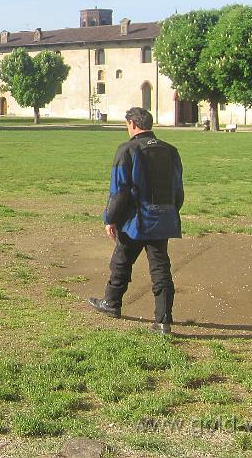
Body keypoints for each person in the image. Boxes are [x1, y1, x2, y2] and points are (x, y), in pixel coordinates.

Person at [88, 107, 184, 334]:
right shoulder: (171, 151)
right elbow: (178, 190)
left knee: (121, 261)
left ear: (131, 124)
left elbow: (119, 190)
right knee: (160, 268)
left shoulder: (127, 150)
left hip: (136, 221)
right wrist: (170, 212)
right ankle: (163, 320)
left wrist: (110, 219)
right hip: (162, 219)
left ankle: (112, 303)